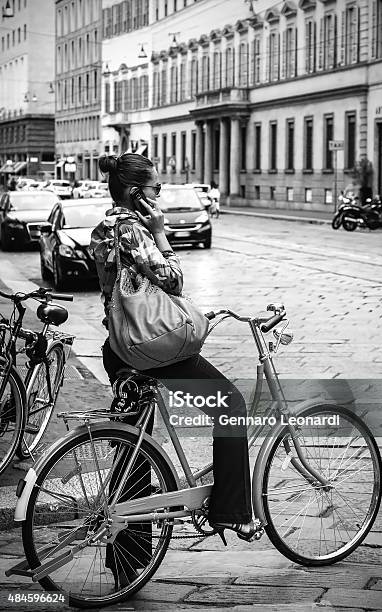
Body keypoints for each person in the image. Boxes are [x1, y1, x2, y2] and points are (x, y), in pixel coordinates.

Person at [90, 153, 260, 583]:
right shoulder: (133, 231)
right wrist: (161, 233)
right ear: (136, 194)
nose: (159, 195)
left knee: (133, 448)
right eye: (156, 189)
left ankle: (127, 563)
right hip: (155, 349)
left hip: (120, 348)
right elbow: (174, 280)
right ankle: (232, 512)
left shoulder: (102, 228)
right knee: (231, 407)